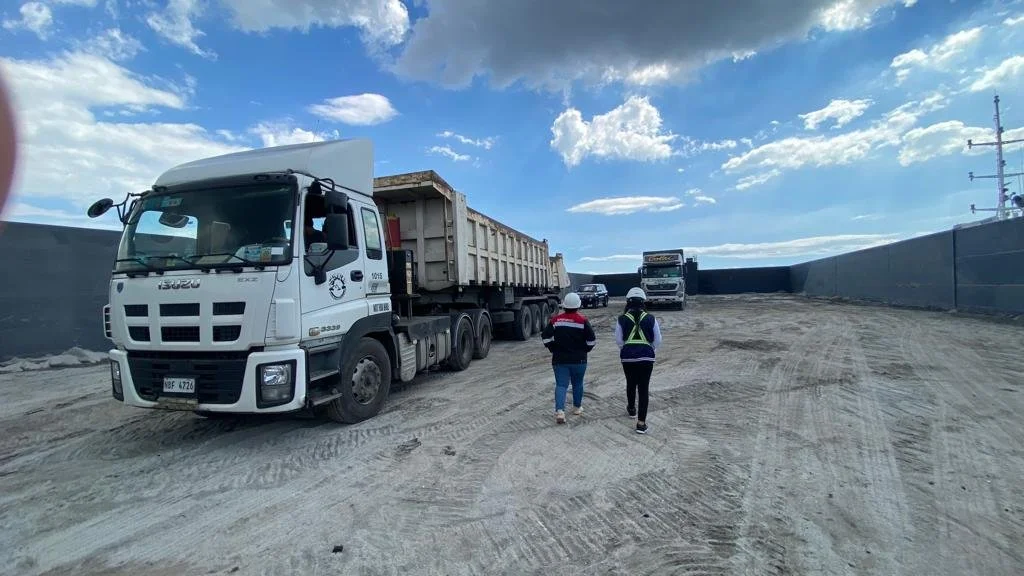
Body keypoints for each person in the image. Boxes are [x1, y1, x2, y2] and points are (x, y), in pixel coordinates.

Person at [541, 292, 596, 424]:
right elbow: (592, 341)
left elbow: (545, 337)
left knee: (561, 385)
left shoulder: (556, 320)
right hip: (579, 360)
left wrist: (553, 348)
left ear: (564, 306)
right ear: (578, 306)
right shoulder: (583, 321)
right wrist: (584, 350)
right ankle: (577, 407)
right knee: (578, 384)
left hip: (560, 359)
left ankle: (560, 411)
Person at [614, 287, 662, 434]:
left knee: (630, 383)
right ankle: (641, 424)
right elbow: (658, 340)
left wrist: (628, 349)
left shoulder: (621, 319)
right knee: (643, 388)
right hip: (646, 357)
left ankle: (631, 409)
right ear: (643, 302)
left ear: (628, 302)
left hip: (627, 357)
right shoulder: (651, 318)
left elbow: (619, 340)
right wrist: (649, 348)